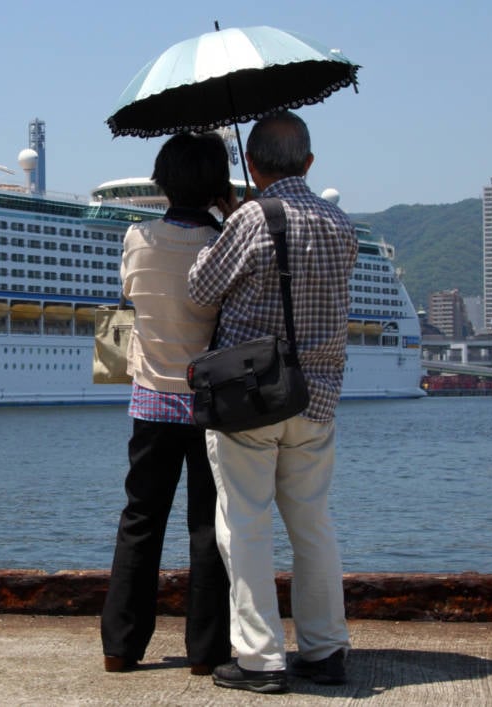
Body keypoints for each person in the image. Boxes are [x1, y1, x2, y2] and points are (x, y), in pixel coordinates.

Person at [187, 111, 356, 694]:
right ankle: (326, 650)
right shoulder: (341, 223)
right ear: (310, 163)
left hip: (252, 398)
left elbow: (200, 289)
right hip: (318, 396)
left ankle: (260, 659)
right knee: (313, 524)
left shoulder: (251, 218)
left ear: (250, 166)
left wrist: (235, 222)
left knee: (245, 524)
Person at [100, 132, 231, 676]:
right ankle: (207, 653)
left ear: (161, 179)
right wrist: (233, 216)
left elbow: (131, 293)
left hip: (152, 402)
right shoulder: (224, 243)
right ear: (217, 185)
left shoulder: (137, 238)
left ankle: (121, 648)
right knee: (207, 525)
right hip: (209, 406)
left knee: (140, 520)